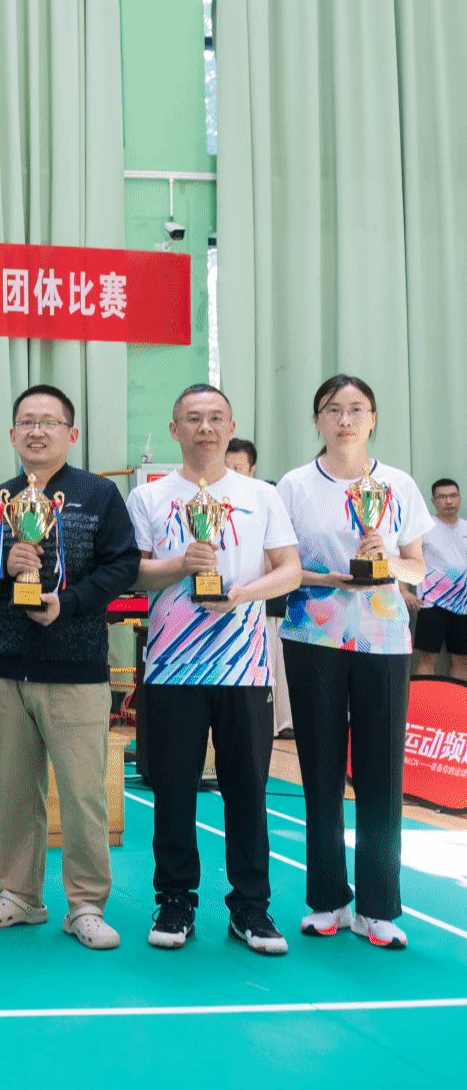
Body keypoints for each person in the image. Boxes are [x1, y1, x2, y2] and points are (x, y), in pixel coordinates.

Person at [0, 385, 139, 950]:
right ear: (13, 434)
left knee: (84, 796)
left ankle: (86, 905)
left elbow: (122, 566)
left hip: (76, 668)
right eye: (26, 422)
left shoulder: (99, 495)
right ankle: (20, 896)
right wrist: (3, 565)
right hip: (8, 669)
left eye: (49, 421)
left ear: (72, 433)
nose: (36, 431)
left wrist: (70, 602)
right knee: (16, 792)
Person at [127, 385, 300, 955]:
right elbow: (134, 575)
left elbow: (290, 570)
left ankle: (251, 907)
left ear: (231, 426)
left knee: (247, 791)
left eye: (215, 418)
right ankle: (175, 900)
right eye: (193, 418)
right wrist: (180, 566)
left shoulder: (261, 495)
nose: (205, 428)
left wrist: (244, 593)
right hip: (172, 668)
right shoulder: (149, 497)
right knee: (173, 791)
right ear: (174, 429)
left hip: (244, 669)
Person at [277, 374, 429, 950]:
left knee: (380, 773)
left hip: (382, 641)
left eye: (357, 409)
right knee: (319, 770)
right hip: (312, 636)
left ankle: (378, 907)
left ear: (373, 418)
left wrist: (386, 558)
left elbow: (417, 569)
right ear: (317, 420)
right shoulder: (294, 485)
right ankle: (326, 899)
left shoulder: (398, 484)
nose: (345, 419)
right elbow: (281, 567)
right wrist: (328, 578)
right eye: (333, 409)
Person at [226, 438, 295, 736]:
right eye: (226, 466)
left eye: (238, 467)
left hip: (267, 600)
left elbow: (282, 561)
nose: (231, 473)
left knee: (275, 665)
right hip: (230, 604)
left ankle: (283, 722)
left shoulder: (266, 497)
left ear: (252, 469)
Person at [408, 479, 467, 681]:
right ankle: (424, 702)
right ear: (433, 501)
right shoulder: (423, 529)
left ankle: (458, 702)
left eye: (453, 496)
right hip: (431, 605)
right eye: (442, 497)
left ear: (460, 499)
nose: (448, 501)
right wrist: (403, 591)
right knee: (427, 660)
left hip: (463, 607)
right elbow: (405, 558)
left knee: (461, 660)